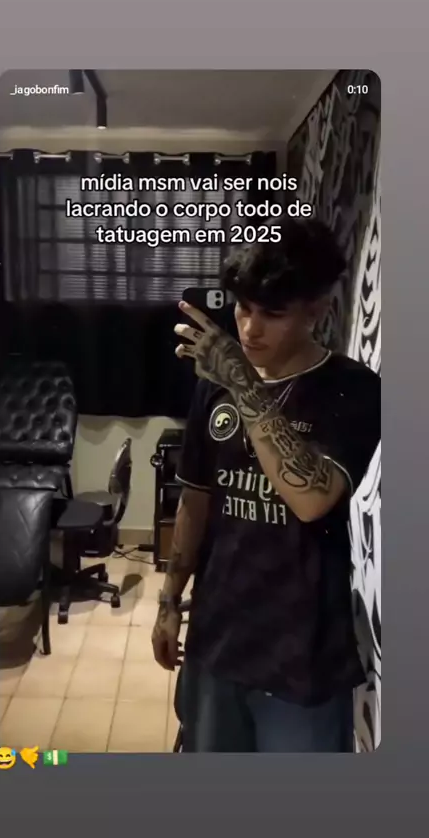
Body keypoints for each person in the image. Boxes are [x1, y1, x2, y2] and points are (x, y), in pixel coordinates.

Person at [151, 216, 381, 753]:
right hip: (218, 639)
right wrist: (169, 601)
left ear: (316, 311)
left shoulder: (352, 389)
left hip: (303, 656)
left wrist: (241, 381)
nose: (250, 329)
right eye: (243, 308)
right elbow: (196, 501)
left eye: (273, 314)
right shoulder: (216, 384)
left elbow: (312, 498)